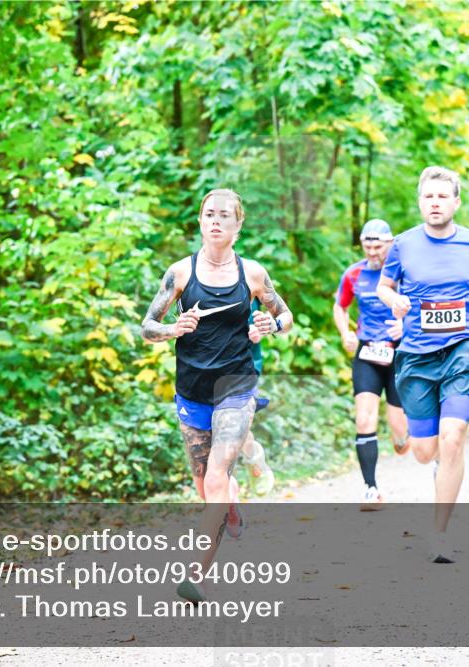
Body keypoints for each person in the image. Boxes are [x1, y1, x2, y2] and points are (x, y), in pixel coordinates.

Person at [140, 188, 293, 601]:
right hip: (192, 389)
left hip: (236, 384)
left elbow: (286, 315)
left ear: (238, 225)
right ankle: (229, 505)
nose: (216, 221)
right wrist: (174, 329)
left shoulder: (253, 274)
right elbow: (147, 327)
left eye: (225, 215)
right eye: (210, 214)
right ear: (200, 221)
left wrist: (269, 327)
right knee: (204, 486)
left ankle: (196, 574)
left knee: (217, 474)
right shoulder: (181, 273)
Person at [376, 166, 469, 564]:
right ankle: (430, 459)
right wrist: (392, 300)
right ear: (420, 202)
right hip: (416, 355)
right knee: (424, 450)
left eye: (441, 196)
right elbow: (384, 285)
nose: (434, 203)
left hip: (462, 347)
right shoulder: (402, 245)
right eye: (428, 197)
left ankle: (439, 533)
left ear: (455, 202)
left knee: (454, 437)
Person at [333, 219, 409, 510]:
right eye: (368, 247)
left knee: (399, 434)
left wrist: (406, 326)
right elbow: (340, 305)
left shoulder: (405, 273)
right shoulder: (354, 273)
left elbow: (424, 305)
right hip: (368, 352)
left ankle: (404, 436)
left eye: (378, 246)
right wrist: (346, 333)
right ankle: (371, 488)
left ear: (390, 244)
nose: (373, 252)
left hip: (401, 351)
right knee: (364, 418)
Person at [241, 298, 275, 496]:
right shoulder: (192, 277)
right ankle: (225, 501)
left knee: (235, 429)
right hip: (204, 368)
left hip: (244, 366)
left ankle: (253, 460)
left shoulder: (251, 274)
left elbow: (282, 318)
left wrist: (264, 326)